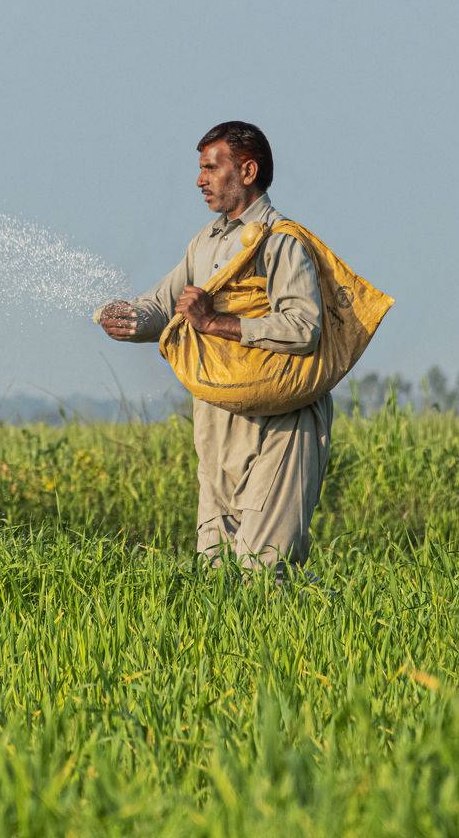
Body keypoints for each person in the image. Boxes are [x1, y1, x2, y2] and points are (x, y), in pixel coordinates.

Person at [98, 121, 332, 577]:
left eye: (211, 167)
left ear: (247, 171)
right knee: (215, 571)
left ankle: (332, 641)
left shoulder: (281, 242)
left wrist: (214, 322)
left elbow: (305, 328)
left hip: (281, 426)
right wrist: (126, 318)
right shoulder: (205, 243)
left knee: (265, 572)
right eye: (200, 168)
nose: (200, 180)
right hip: (218, 423)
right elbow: (163, 306)